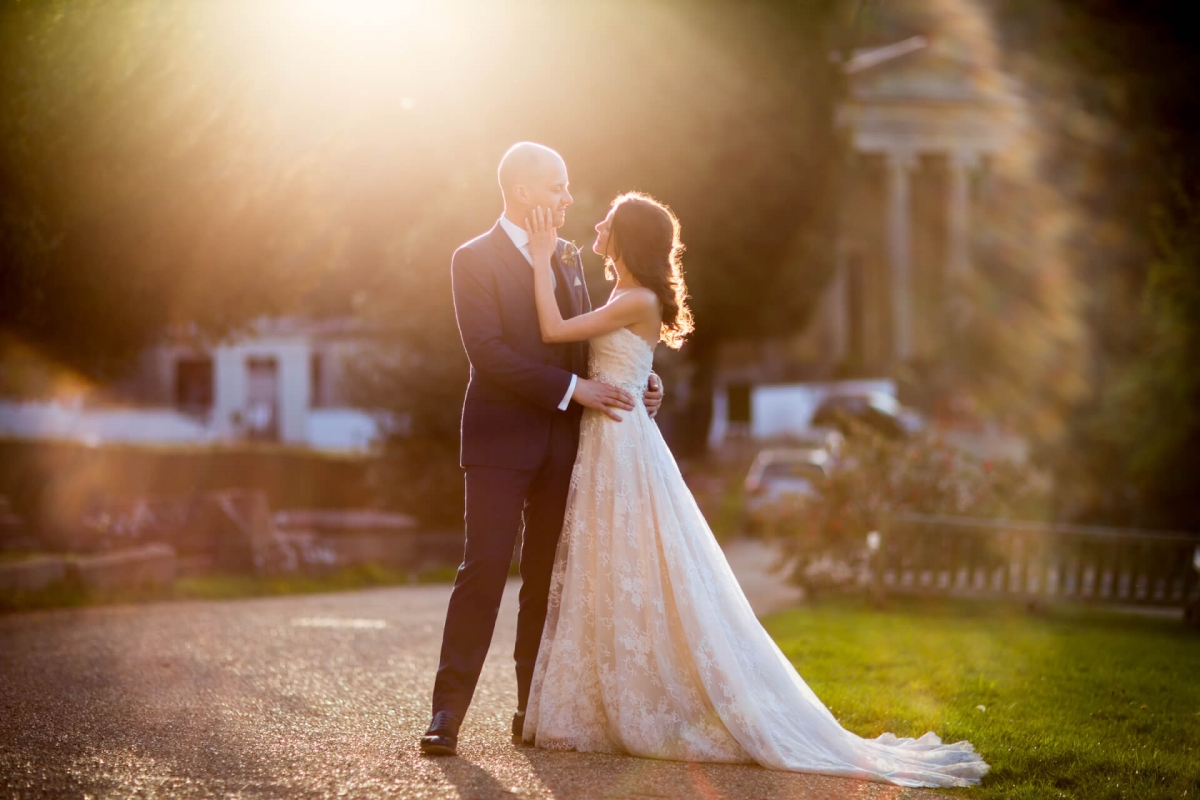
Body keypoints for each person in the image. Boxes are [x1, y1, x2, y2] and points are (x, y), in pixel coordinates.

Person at [518, 192, 990, 789]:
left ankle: (652, 702)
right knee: (611, 565)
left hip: (619, 443)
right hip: (614, 433)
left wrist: (538, 257)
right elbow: (623, 362)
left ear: (628, 236)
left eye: (608, 219)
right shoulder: (624, 297)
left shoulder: (634, 298)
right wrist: (645, 381)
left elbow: (552, 329)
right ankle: (605, 695)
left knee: (633, 563)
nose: (598, 224)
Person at [420, 143, 664, 757]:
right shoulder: (471, 259)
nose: (567, 197)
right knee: (482, 572)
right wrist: (575, 387)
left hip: (565, 445)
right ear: (525, 191)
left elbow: (591, 341)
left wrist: (641, 379)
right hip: (499, 441)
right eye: (557, 185)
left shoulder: (571, 257)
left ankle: (531, 708)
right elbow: (490, 354)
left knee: (545, 581)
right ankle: (447, 713)